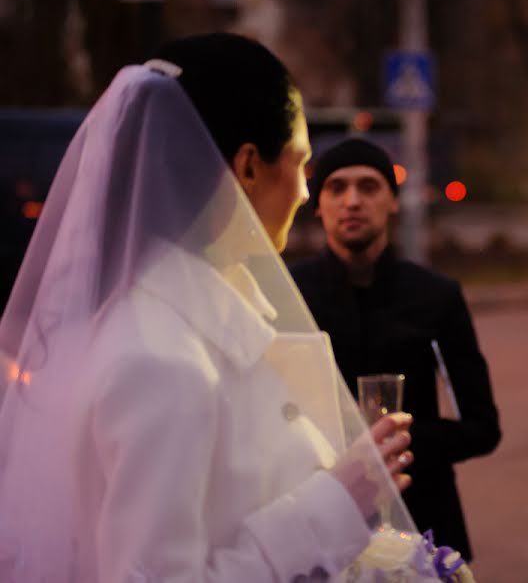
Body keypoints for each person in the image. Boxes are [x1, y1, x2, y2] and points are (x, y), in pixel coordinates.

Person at [0, 33, 440, 582]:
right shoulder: (160, 358)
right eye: (300, 163)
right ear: (249, 167)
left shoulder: (193, 320)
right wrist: (334, 502)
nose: (307, 192)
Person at [291, 138, 501, 560]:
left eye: (368, 187)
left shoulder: (435, 296)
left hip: (423, 524)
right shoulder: (289, 296)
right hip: (319, 523)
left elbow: (482, 426)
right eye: (337, 188)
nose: (352, 201)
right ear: (319, 205)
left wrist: (397, 440)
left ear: (393, 201)